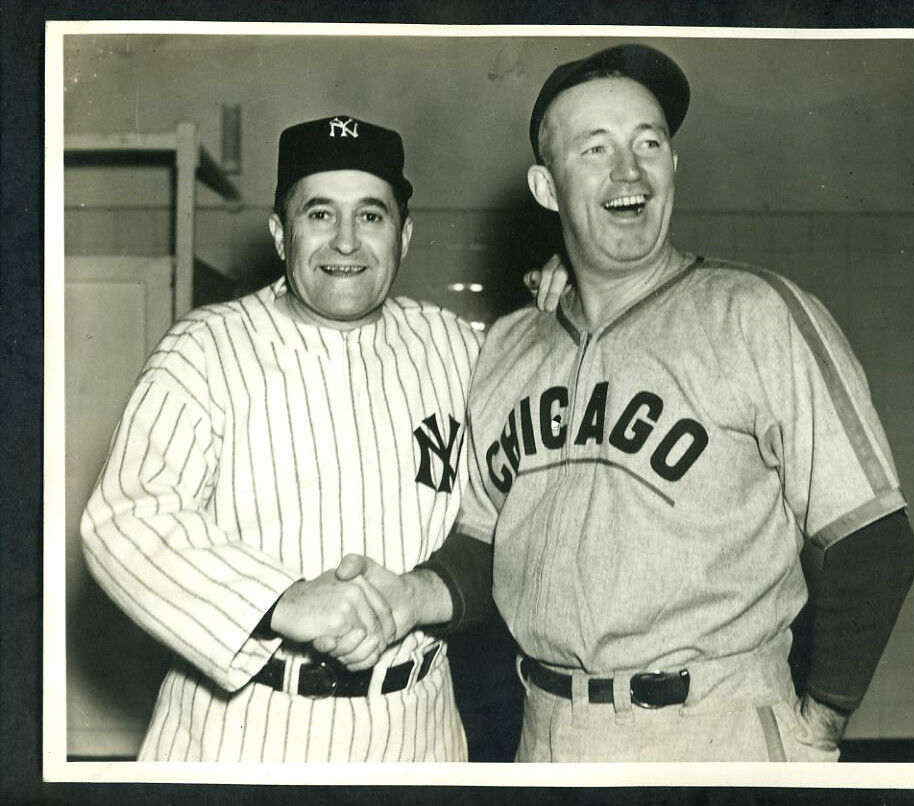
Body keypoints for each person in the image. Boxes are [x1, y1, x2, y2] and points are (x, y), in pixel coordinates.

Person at [333, 44, 914, 763]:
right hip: (545, 733)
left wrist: (821, 724)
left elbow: (872, 538)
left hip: (715, 724)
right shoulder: (512, 345)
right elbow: (487, 543)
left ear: (673, 166)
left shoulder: (756, 313)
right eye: (595, 148)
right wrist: (408, 597)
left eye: (649, 143)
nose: (629, 170)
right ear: (547, 188)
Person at [79, 114, 564, 762]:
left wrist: (566, 305)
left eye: (370, 216)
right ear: (281, 234)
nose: (345, 242)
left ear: (404, 234)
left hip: (416, 730)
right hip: (243, 728)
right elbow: (126, 515)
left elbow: (522, 494)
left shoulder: (455, 347)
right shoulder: (206, 348)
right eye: (318, 214)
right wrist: (282, 601)